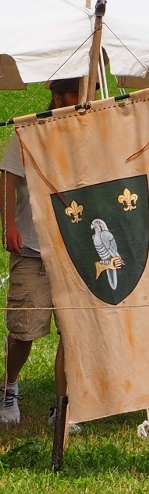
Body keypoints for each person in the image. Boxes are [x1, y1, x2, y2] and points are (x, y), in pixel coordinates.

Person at [1, 78, 83, 425]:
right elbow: (6, 176)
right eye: (78, 94)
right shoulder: (27, 133)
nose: (85, 100)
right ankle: (9, 389)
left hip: (74, 251)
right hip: (33, 249)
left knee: (74, 331)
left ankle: (63, 405)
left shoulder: (88, 133)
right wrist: (9, 224)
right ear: (58, 97)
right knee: (23, 331)